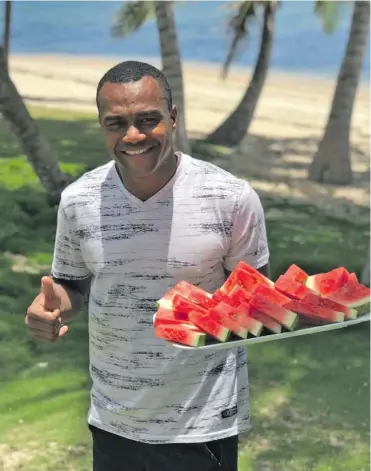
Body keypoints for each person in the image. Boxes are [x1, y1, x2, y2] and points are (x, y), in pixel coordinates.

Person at [25, 60, 270, 471]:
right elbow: (73, 284)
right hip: (112, 419)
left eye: (148, 119)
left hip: (201, 425)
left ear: (172, 118)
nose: (133, 136)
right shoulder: (79, 200)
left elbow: (255, 298)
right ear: (102, 126)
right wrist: (49, 309)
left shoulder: (231, 198)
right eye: (116, 123)